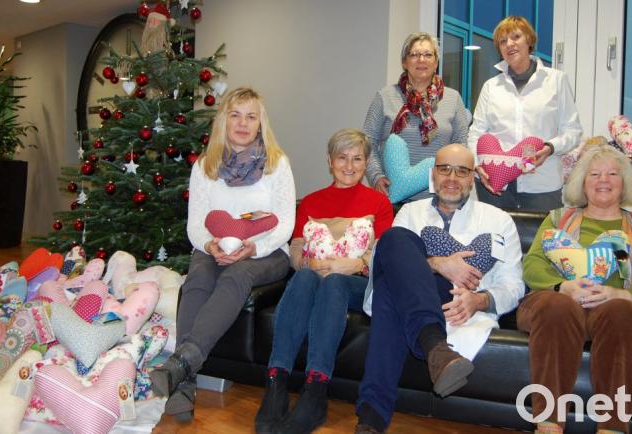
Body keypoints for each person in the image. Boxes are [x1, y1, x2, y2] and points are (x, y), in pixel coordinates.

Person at [354, 144, 524, 434]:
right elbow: (387, 259)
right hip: (414, 296)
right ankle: (435, 347)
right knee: (394, 240)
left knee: (389, 290)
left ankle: (371, 418)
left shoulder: (499, 220)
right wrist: (437, 264)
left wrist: (480, 300)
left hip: (459, 302)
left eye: (462, 171)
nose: (452, 177)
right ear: (433, 174)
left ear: (473, 178)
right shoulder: (410, 211)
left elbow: (514, 284)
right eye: (445, 168)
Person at [150, 87, 296, 421]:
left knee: (237, 274)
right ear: (223, 120)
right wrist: (210, 245)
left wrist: (252, 247)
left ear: (261, 123)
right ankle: (184, 384)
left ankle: (183, 362)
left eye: (251, 116)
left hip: (267, 251)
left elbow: (285, 223)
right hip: (216, 246)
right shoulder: (205, 166)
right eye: (235, 115)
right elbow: (196, 225)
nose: (243, 123)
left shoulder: (277, 163)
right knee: (198, 274)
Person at [520, 144, 632, 433]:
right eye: (594, 173)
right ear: (582, 182)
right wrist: (563, 286)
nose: (603, 180)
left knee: (621, 312)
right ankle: (548, 424)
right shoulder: (557, 219)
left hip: (613, 313)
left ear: (624, 182)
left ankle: (612, 427)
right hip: (555, 303)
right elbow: (531, 267)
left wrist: (623, 294)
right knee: (558, 306)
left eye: (612, 174)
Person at [254, 128, 394, 434]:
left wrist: (355, 264)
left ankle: (316, 392)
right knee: (304, 276)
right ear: (329, 161)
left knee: (334, 282)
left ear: (366, 162)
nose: (349, 165)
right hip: (317, 277)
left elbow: (385, 256)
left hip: (359, 283)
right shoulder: (312, 201)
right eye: (342, 157)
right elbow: (296, 249)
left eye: (357, 159)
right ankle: (276, 383)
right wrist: (308, 261)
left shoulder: (380, 203)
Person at [468, 16, 582, 212]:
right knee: (496, 241)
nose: (509, 44)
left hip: (541, 183)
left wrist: (549, 147)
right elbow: (476, 132)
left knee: (541, 241)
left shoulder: (556, 80)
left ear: (529, 40)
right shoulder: (491, 87)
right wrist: (477, 164)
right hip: (495, 185)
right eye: (502, 41)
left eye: (516, 37)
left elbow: (573, 131)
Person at [363, 32, 471, 201]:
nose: (421, 60)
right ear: (404, 62)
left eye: (428, 54)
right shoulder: (385, 96)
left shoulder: (453, 98)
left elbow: (461, 144)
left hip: (441, 198)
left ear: (436, 62)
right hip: (394, 197)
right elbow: (367, 142)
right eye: (414, 54)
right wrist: (376, 176)